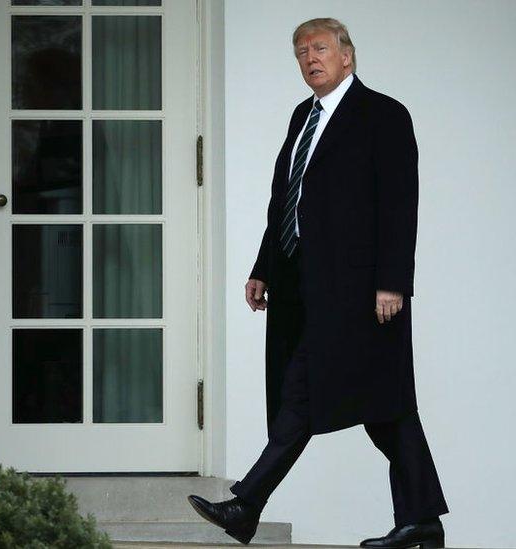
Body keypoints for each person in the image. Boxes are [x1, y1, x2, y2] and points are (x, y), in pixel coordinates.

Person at [187, 17, 449, 548]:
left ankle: (247, 503)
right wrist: (264, 266)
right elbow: (284, 201)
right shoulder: (301, 118)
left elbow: (401, 205)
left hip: (364, 293)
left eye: (321, 48)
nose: (311, 58)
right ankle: (422, 523)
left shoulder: (384, 115)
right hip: (306, 285)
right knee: (387, 409)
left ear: (347, 56)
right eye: (302, 51)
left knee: (303, 394)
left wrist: (392, 283)